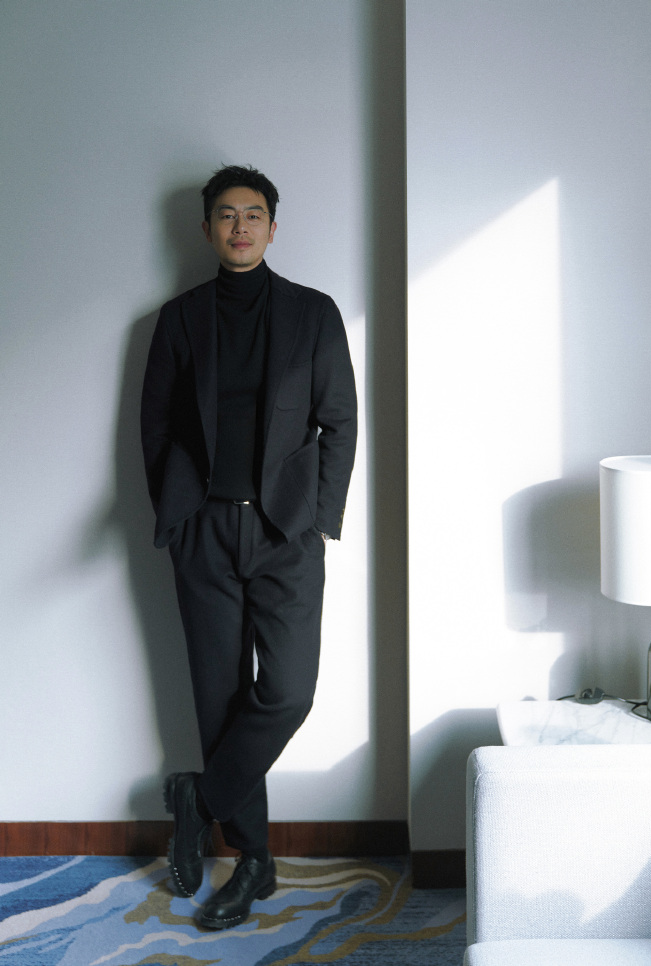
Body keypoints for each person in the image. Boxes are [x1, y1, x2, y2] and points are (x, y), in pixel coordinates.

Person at [140, 164, 357, 929]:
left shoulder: (313, 313)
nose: (240, 226)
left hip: (284, 532)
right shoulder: (178, 319)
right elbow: (154, 425)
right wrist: (176, 517)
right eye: (227, 215)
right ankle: (254, 861)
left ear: (273, 226)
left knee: (288, 691)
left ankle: (198, 799)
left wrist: (317, 518)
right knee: (220, 698)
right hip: (204, 531)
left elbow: (339, 421)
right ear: (206, 229)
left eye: (253, 214)